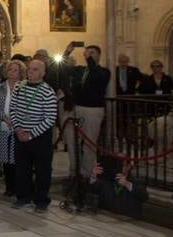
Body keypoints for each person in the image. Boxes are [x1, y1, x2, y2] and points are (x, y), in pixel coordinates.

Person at [12, 57, 59, 212]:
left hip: (39, 138)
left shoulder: (47, 91)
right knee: (21, 169)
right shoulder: (19, 86)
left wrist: (31, 134)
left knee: (42, 170)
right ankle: (23, 196)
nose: (30, 72)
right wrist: (18, 129)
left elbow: (50, 118)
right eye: (29, 68)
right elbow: (13, 109)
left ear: (43, 73)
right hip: (20, 134)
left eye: (35, 69)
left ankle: (41, 200)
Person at [64, 44, 111, 180]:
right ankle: (74, 172)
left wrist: (90, 60)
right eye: (87, 53)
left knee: (90, 144)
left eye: (92, 53)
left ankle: (88, 173)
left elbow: (96, 76)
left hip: (93, 110)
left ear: (99, 55)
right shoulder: (80, 70)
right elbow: (63, 69)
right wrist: (66, 53)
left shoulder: (104, 71)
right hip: (77, 109)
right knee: (73, 143)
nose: (89, 55)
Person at [0, 58, 25, 199]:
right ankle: (9, 187)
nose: (11, 72)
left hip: (19, 126)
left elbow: (26, 107)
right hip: (3, 126)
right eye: (10, 69)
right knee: (6, 159)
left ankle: (19, 186)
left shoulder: (24, 87)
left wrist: (16, 120)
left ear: (20, 73)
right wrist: (4, 117)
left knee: (17, 157)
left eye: (15, 70)